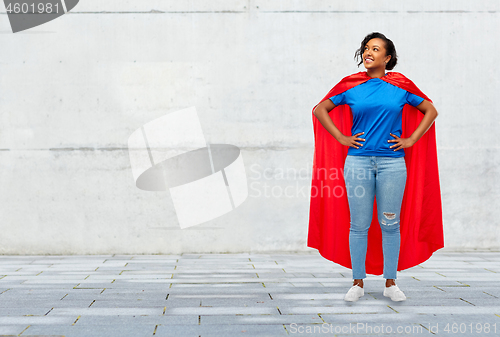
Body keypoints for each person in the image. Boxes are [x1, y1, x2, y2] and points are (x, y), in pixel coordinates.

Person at [310, 32, 441, 302]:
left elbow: (430, 110)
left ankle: (390, 283)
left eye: (376, 49)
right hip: (357, 162)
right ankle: (358, 283)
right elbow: (320, 109)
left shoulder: (402, 86)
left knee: (390, 224)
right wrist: (342, 138)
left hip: (392, 164)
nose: (368, 52)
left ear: (387, 58)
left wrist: (412, 139)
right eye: (366, 48)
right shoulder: (350, 85)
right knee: (358, 225)